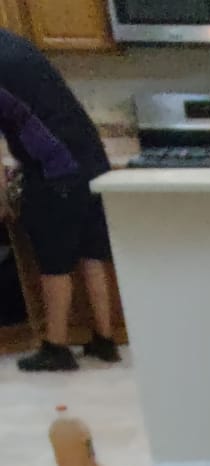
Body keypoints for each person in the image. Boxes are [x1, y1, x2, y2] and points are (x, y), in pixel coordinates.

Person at [0, 27, 118, 373]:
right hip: (91, 159)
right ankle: (104, 340)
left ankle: (56, 347)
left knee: (54, 262)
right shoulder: (15, 45)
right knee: (92, 252)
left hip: (55, 168)